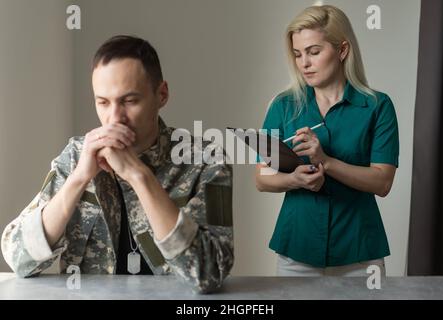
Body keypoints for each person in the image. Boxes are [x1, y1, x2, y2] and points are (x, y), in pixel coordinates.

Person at [1, 35, 233, 293]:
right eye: (103, 102)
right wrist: (78, 178)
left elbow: (209, 273)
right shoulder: (78, 155)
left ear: (162, 95)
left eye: (129, 101)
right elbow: (18, 258)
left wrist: (139, 176)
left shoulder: (204, 160)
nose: (114, 118)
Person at [255, 5, 399, 276]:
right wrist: (294, 180)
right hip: (297, 251)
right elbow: (262, 178)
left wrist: (326, 162)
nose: (304, 64)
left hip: (360, 254)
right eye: (298, 55)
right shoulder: (282, 106)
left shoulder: (378, 106)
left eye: (314, 52)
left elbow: (382, 182)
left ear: (342, 50)